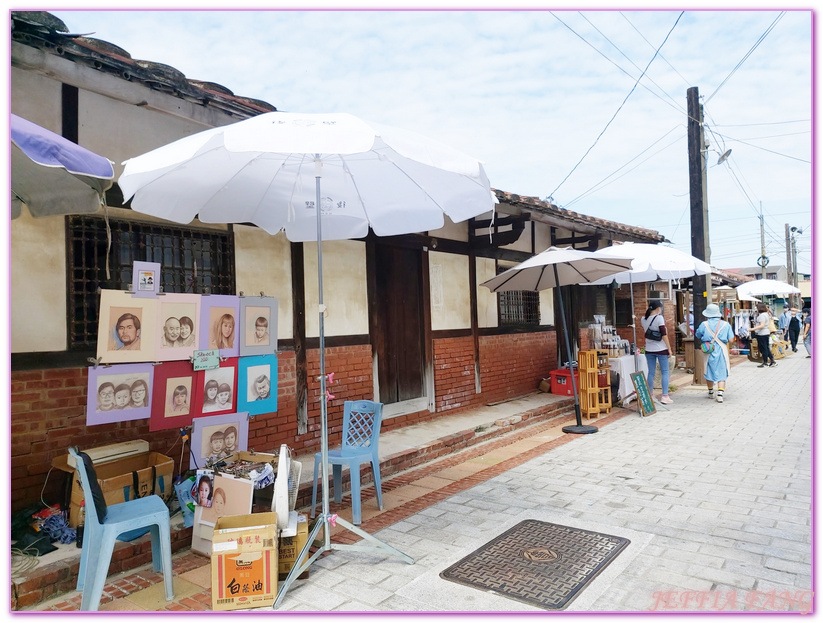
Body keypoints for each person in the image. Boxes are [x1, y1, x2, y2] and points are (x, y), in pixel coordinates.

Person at [694, 303, 735, 403]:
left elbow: (698, 334)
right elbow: (731, 340)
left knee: (709, 369)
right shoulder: (726, 324)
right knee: (722, 370)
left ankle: (711, 392)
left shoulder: (704, 324)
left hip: (709, 349)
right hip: (721, 349)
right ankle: (720, 394)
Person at [640, 300, 673, 405]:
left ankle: (650, 394)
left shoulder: (643, 319)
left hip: (649, 349)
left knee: (651, 372)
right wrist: (669, 349)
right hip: (661, 348)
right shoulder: (659, 318)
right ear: (658, 308)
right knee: (665, 372)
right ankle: (665, 396)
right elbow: (664, 334)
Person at [752, 302, 777, 368]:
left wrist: (752, 329)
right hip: (765, 333)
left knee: (763, 348)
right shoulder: (765, 314)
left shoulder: (762, 316)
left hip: (762, 333)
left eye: (756, 307)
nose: (756, 309)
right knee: (766, 348)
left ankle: (765, 362)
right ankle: (772, 361)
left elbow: (762, 325)